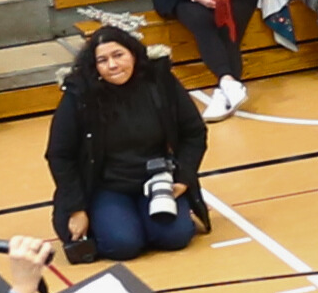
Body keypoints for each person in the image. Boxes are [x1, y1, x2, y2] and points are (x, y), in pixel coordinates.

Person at [40, 22, 204, 264]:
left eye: (118, 55)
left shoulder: (160, 82)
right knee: (123, 244)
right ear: (94, 66)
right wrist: (76, 209)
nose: (112, 65)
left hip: (156, 180)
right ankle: (120, 221)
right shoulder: (79, 95)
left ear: (134, 54)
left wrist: (183, 177)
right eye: (103, 60)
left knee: (175, 237)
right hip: (106, 186)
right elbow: (59, 155)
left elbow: (194, 132)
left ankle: (144, 221)